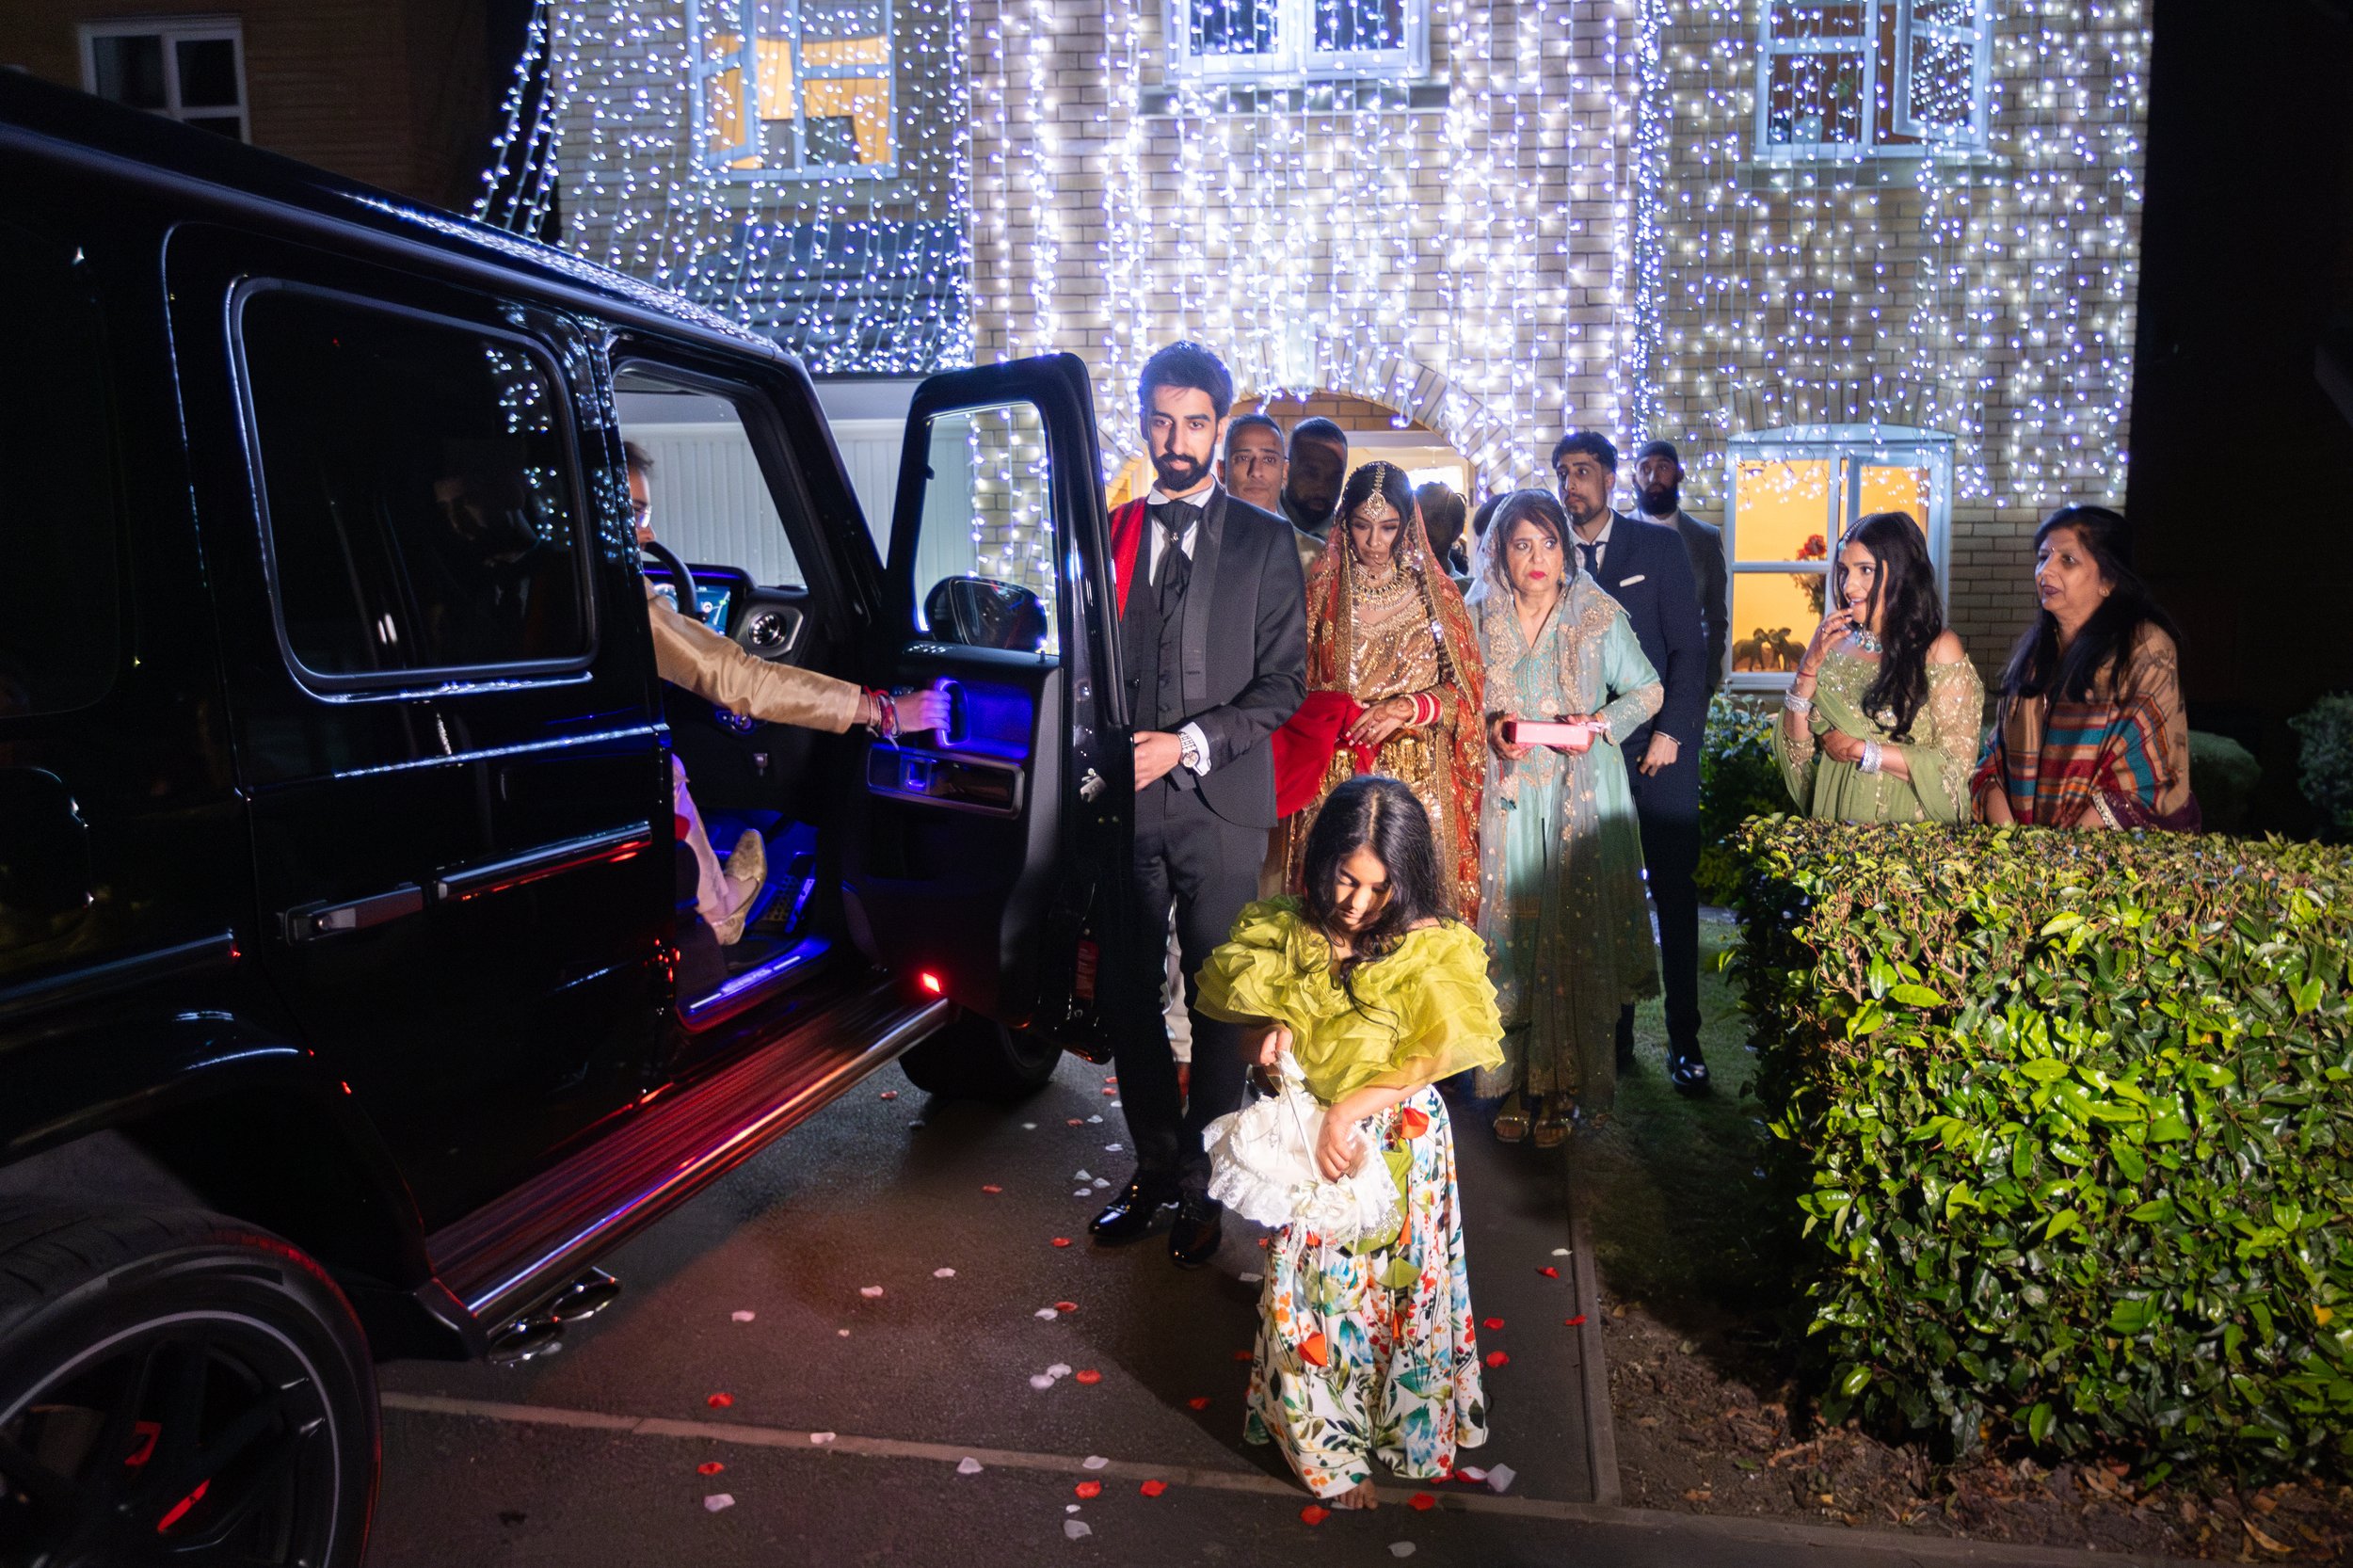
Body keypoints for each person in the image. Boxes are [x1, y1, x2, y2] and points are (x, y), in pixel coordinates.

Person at [1196, 775, 1504, 1510]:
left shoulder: (1432, 944)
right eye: (1345, 879)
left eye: (1378, 886)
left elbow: (1439, 1055)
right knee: (1310, 1296)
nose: (1358, 903)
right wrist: (1268, 1036)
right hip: (1312, 1136)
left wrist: (1351, 1111)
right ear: (1321, 860)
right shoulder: (1285, 927)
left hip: (1400, 1138)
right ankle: (1326, 1450)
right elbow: (1239, 1034)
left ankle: (1409, 1426)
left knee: (1402, 1295)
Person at [1089, 342, 1309, 1269]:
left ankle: (1203, 1186)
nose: (1175, 440)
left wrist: (1184, 743)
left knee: (1219, 1000)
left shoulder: (1264, 541)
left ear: (1219, 427)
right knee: (1130, 995)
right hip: (1125, 810)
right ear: (1142, 421)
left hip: (1221, 805)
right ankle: (1151, 1167)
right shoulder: (1110, 533)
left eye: (1194, 422)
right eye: (1160, 419)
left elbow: (1282, 685)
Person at [626, 441, 948, 944]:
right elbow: (739, 680)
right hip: (616, 778)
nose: (648, 533)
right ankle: (721, 913)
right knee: (661, 768)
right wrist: (883, 711)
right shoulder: (621, 600)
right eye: (636, 514)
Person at [1474, 490, 1663, 1144]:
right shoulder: (1479, 615)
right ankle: (1512, 1084)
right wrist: (1490, 726)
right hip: (1507, 798)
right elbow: (1460, 699)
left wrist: (1599, 723)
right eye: (1522, 543)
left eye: (1549, 543)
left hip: (1578, 795)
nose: (1537, 558)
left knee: (1567, 934)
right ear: (1500, 550)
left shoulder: (1594, 613)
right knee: (1509, 937)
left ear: (1567, 550)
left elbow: (1648, 689)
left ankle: (1560, 1089)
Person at [1551, 431, 1711, 1096]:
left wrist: (1673, 730)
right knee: (1601, 894)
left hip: (1660, 755)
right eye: (1563, 473)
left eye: (1584, 472)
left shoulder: (1658, 546)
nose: (1572, 485)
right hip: (1589, 758)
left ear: (1611, 478)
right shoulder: (1550, 552)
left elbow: (1690, 651)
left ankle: (1685, 1039)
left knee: (1673, 900)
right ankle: (1614, 1035)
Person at [1276, 461, 1485, 923]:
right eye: (1362, 526)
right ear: (1344, 524)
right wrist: (1337, 711)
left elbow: (1465, 697)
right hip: (1339, 778)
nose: (1374, 542)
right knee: (1338, 907)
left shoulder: (1437, 596)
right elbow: (1289, 690)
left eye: (1388, 527)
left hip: (1419, 780)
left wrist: (1407, 707)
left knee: (1411, 909)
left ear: (1407, 526)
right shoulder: (1319, 596)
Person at [1972, 504, 2198, 831]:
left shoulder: (2144, 647)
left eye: (2068, 560)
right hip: (2026, 858)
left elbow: (2150, 776)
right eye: (2043, 557)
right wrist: (2014, 841)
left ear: (2109, 580)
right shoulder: (2035, 655)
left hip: (2105, 859)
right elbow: (1994, 760)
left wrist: (2066, 853)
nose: (2045, 572)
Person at [1774, 511, 1983, 822]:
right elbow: (1797, 751)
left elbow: (1955, 765)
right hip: (1835, 825)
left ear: (1902, 574)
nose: (1849, 585)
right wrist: (1807, 669)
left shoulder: (1938, 649)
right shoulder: (1835, 645)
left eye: (1866, 570)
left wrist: (1863, 751)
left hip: (1907, 832)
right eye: (1844, 571)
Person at [1630, 440, 1730, 696]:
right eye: (1645, 468)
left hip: (1686, 684)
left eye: (1662, 467)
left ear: (1679, 474)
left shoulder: (1704, 538)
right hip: (1626, 683)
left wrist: (1707, 681)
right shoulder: (1619, 534)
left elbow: (1716, 619)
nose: (1653, 477)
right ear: (1634, 477)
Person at [1279, 417, 1349, 571]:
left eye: (1334, 476)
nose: (1323, 487)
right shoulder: (1256, 526)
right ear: (1286, 470)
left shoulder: (1351, 543)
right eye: (1311, 473)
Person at [1219, 411, 1288, 516]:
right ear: (1222, 471)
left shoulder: (1291, 532)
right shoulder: (1193, 531)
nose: (1256, 472)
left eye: (1269, 460)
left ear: (1285, 472)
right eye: (1243, 458)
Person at [1415, 480, 1471, 586]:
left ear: (1457, 531)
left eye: (1436, 520)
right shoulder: (1390, 589)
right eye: (1418, 518)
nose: (1424, 527)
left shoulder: (1466, 592)